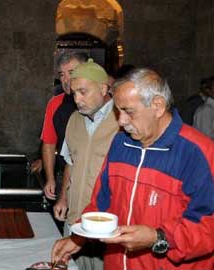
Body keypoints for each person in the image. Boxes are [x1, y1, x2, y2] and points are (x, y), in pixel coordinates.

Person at [51, 68, 214, 270]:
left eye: (128, 112)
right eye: (118, 112)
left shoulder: (199, 153)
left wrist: (158, 238)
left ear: (157, 106)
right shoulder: (121, 143)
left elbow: (208, 228)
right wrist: (79, 238)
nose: (121, 121)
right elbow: (100, 202)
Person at [53, 59, 119, 270]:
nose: (78, 99)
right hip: (74, 221)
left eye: (83, 92)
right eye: (74, 93)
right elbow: (70, 162)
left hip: (105, 224)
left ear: (103, 88)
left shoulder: (123, 120)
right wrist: (63, 198)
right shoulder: (74, 120)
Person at [41, 52, 88, 200]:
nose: (66, 79)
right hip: (64, 172)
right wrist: (50, 178)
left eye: (71, 73)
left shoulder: (100, 103)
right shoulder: (55, 104)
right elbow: (48, 143)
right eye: (62, 74)